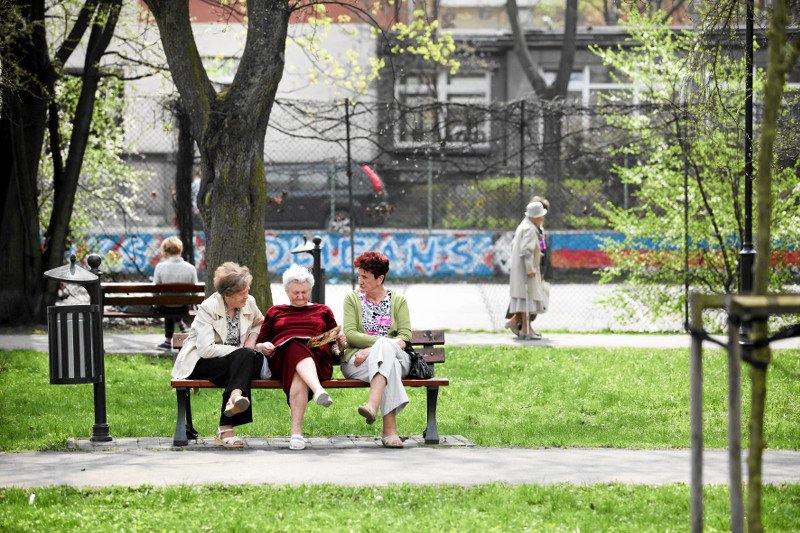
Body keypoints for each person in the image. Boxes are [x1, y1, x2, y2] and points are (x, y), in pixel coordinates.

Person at [171, 262, 268, 448]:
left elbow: (259, 322)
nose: (246, 296)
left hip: (237, 362)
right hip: (204, 361)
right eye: (242, 293)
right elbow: (206, 350)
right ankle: (227, 424)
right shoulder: (208, 308)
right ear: (227, 294)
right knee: (242, 361)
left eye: (247, 290)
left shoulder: (250, 302)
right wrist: (240, 350)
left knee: (245, 360)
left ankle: (234, 400)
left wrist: (251, 341)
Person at [255, 264, 345, 451]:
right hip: (282, 358)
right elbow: (260, 342)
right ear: (287, 291)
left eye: (305, 292)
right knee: (293, 345)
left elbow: (333, 339)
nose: (301, 296)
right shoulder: (275, 311)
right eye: (296, 292)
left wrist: (340, 339)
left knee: (298, 358)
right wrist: (264, 346)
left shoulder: (323, 310)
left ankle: (296, 434)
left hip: (317, 358)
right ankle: (318, 390)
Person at [341, 251, 412, 449]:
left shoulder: (398, 301)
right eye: (359, 275)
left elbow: (405, 336)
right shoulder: (352, 299)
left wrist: (375, 348)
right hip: (357, 362)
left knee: (387, 353)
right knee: (390, 366)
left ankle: (372, 404)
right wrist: (381, 345)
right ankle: (390, 432)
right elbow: (351, 334)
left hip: (392, 355)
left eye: (365, 277)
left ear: (380, 278)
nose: (360, 281)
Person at [506, 195, 550, 336]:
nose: (542, 218)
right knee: (527, 299)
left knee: (525, 299)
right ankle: (525, 329)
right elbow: (526, 251)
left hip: (521, 269)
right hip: (526, 270)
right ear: (536, 216)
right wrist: (530, 269)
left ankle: (521, 326)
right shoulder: (530, 229)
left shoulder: (525, 225)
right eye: (541, 216)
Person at [153, 236, 198, 350]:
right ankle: (181, 325)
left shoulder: (160, 267)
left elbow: (155, 290)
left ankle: (168, 342)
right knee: (175, 302)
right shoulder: (191, 268)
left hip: (165, 307)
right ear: (180, 250)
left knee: (168, 304)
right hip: (183, 307)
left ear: (165, 251)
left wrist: (156, 301)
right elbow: (195, 292)